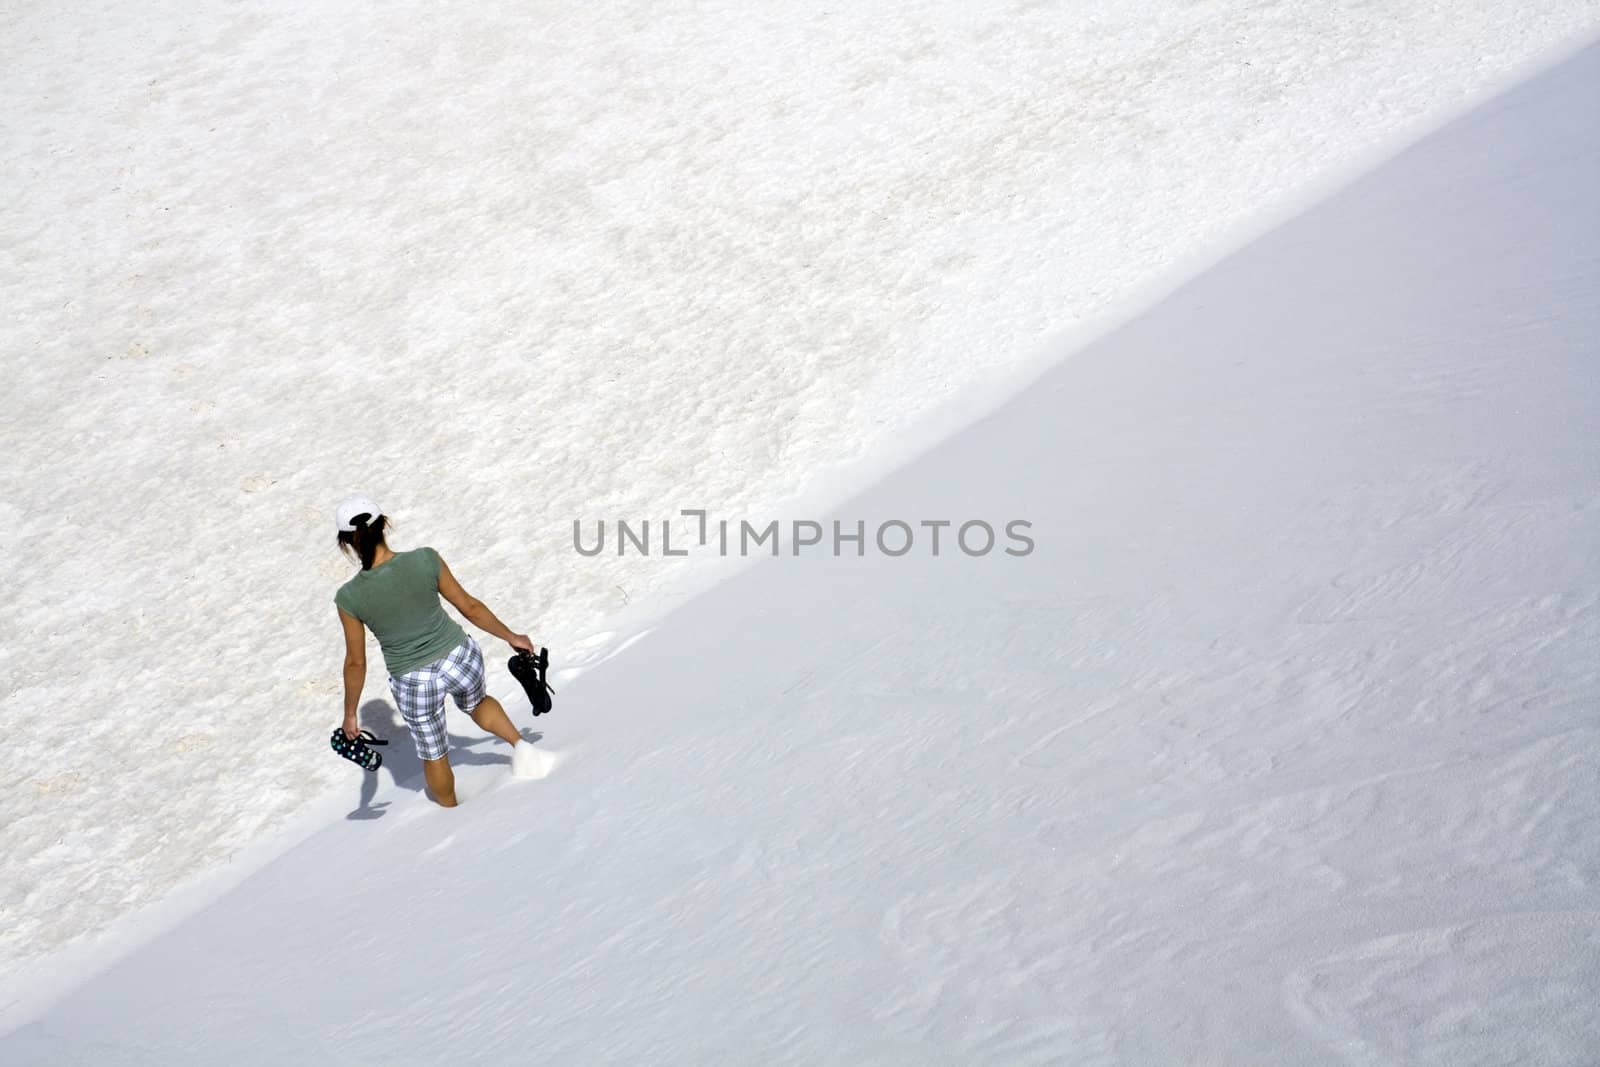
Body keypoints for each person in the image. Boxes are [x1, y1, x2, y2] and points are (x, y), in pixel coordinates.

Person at [333, 494, 546, 806]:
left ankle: (450, 816)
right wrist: (511, 636)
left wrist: (350, 715)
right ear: (384, 524)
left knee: (435, 753)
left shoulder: (349, 597)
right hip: (459, 656)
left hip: (413, 679)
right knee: (477, 703)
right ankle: (521, 746)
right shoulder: (425, 559)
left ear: (346, 543)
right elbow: (470, 607)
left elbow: (355, 663)